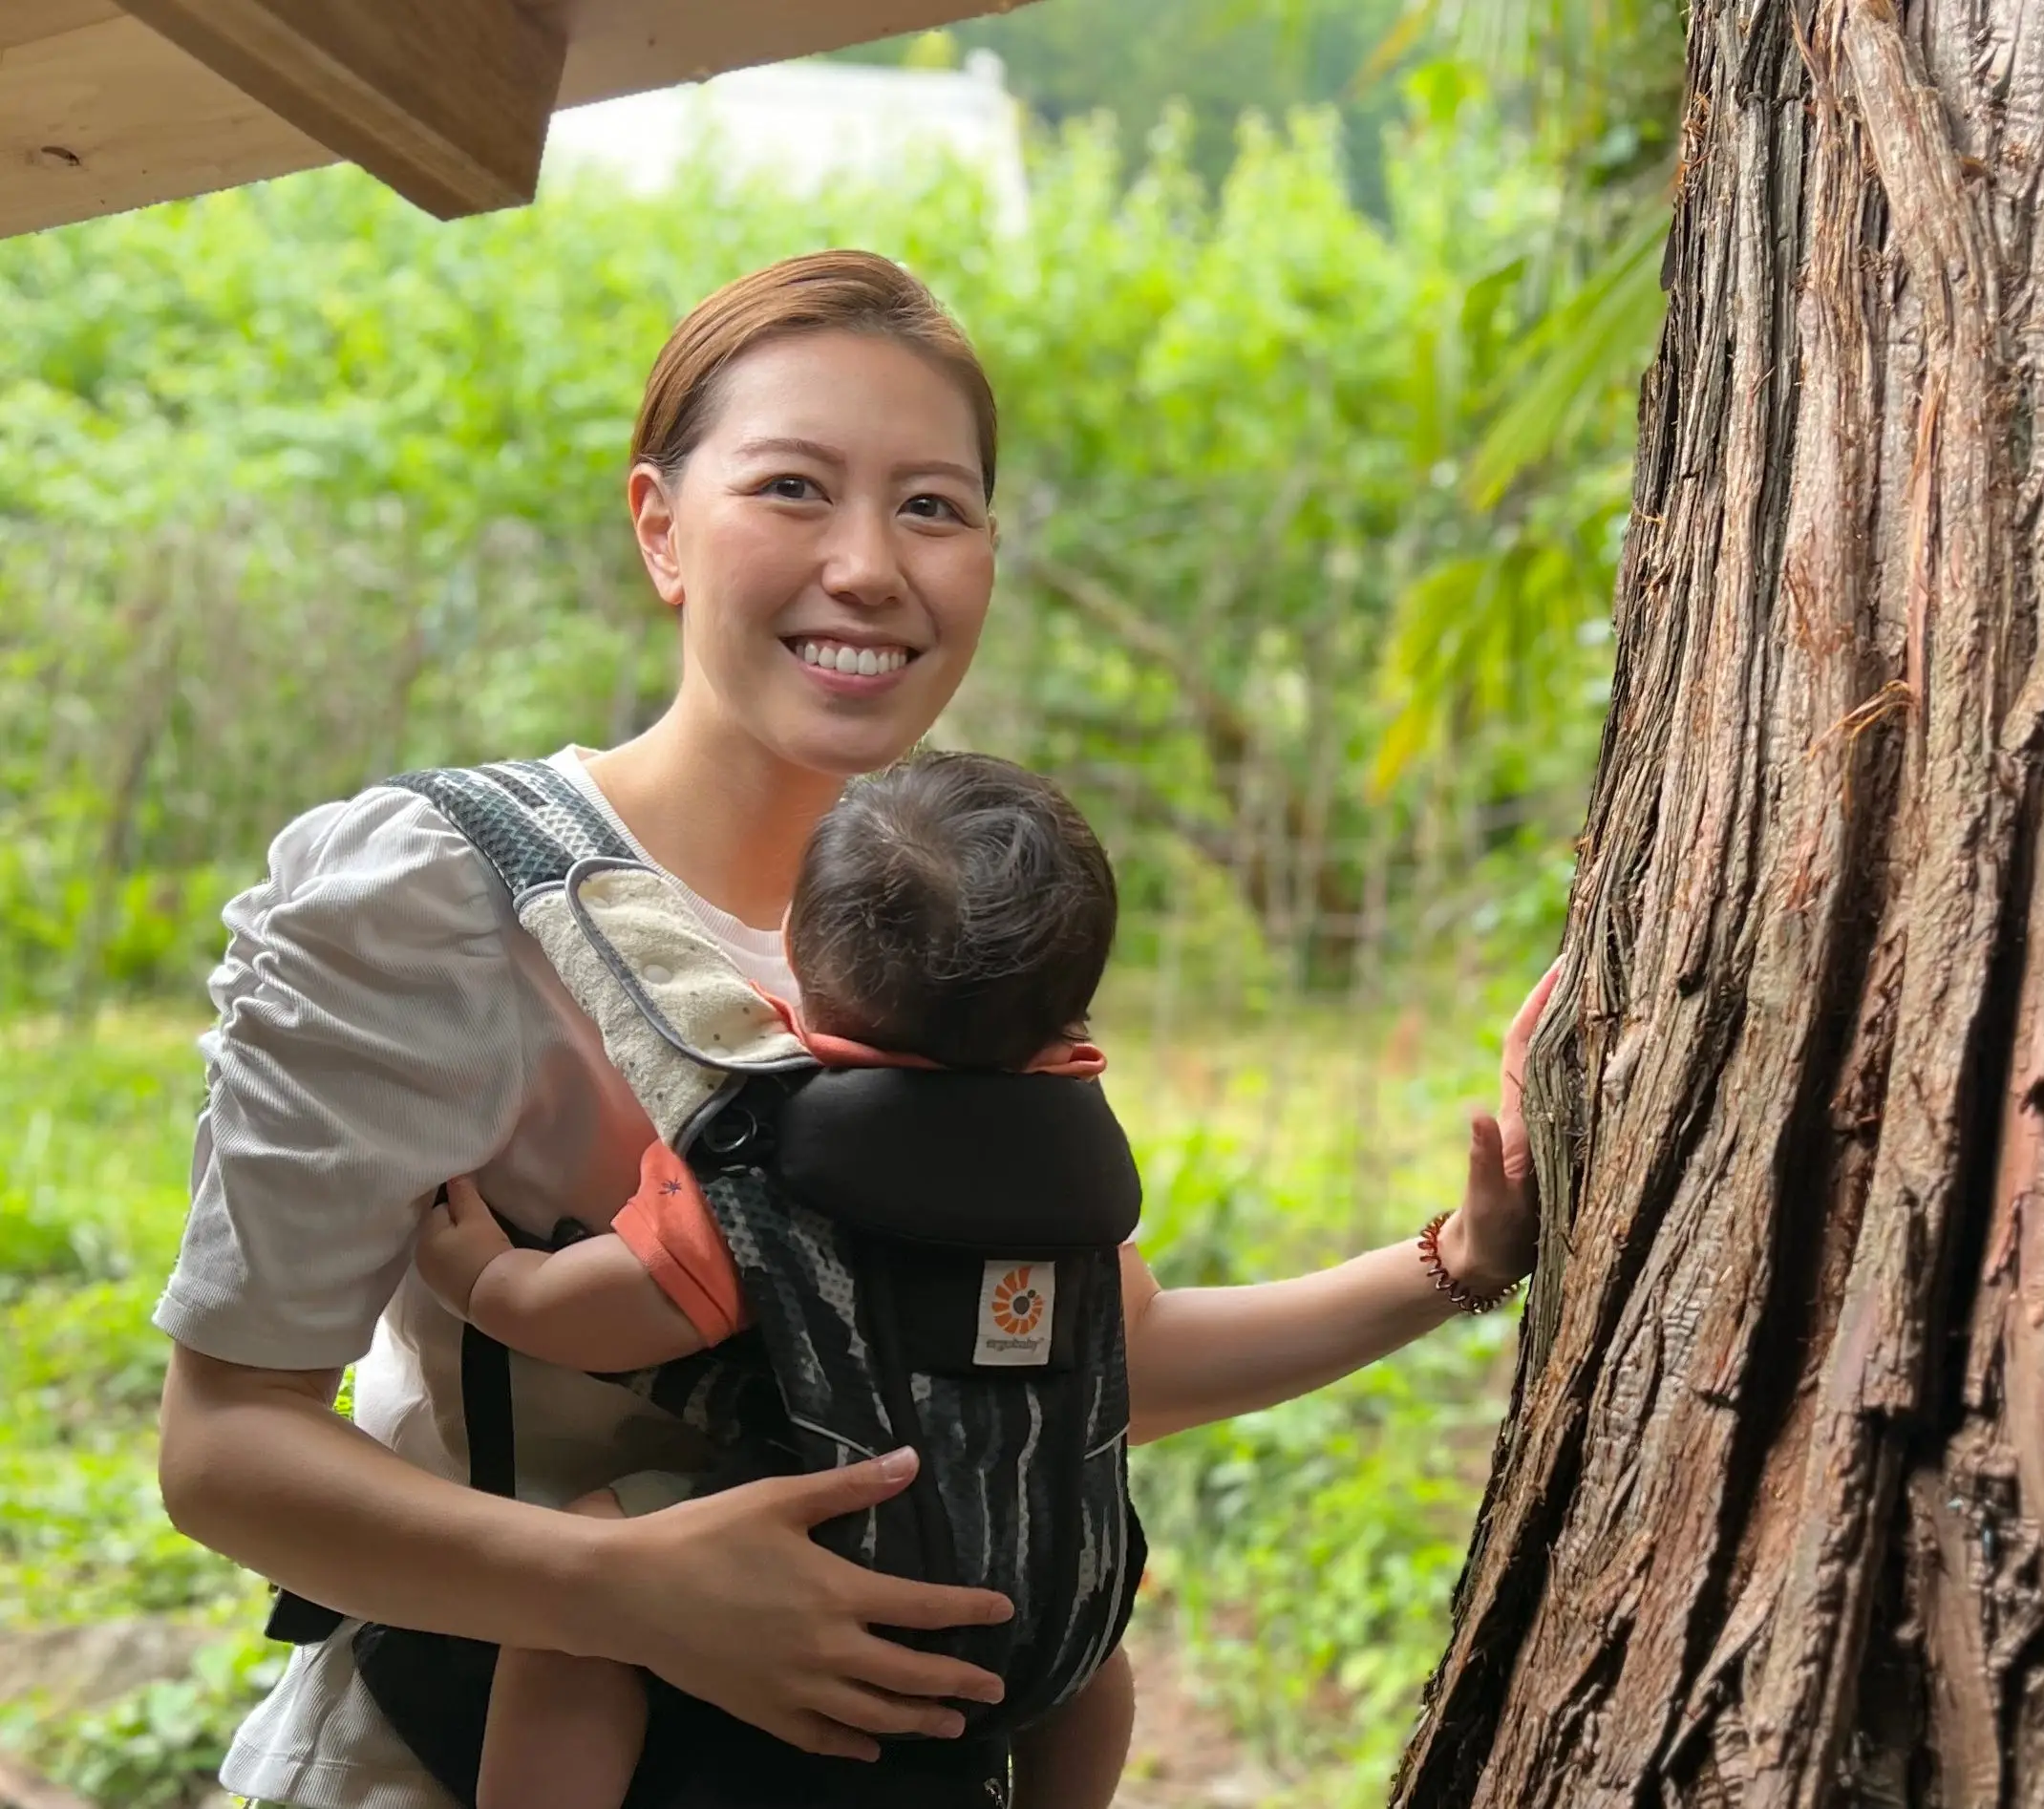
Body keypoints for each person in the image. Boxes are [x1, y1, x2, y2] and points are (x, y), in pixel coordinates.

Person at [152, 249, 1552, 1809]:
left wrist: (1462, 1257)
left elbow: (1091, 1352)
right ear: (659, 525)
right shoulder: (432, 895)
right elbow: (225, 1447)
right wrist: (624, 1589)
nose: (873, 564)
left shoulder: (963, 929)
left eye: (934, 506)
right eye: (794, 487)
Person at [414, 750, 1134, 1809]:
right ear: (1070, 1021)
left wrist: (491, 1285)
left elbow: (616, 1312)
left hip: (837, 1550)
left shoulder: (779, 1159)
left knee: (589, 1581)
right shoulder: (1081, 1174)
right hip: (1039, 1589)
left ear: (791, 952)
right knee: (1098, 1655)